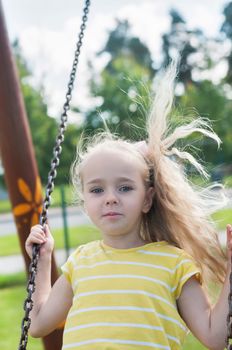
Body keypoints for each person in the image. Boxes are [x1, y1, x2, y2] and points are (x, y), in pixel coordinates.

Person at [25, 62, 232, 350]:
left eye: (124, 187)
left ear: (147, 199)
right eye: (97, 189)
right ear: (85, 202)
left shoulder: (173, 263)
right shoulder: (81, 262)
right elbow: (36, 324)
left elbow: (214, 337)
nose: (111, 197)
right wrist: (43, 259)